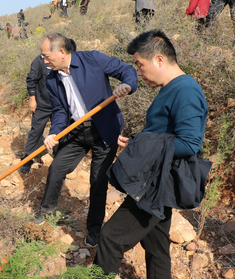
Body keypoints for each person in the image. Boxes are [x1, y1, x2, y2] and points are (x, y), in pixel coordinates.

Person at [94, 29, 209, 278]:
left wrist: (140, 145)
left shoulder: (186, 90)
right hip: (159, 180)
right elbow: (163, 136)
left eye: (140, 65)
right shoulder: (173, 88)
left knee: (110, 238)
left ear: (158, 59)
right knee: (156, 246)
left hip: (160, 183)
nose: (139, 72)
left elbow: (190, 144)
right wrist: (137, 142)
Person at [36, 33, 138, 249]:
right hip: (76, 133)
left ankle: (94, 230)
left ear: (61, 52)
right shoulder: (51, 79)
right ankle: (46, 212)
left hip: (105, 131)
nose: (44, 61)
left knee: (97, 181)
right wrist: (54, 132)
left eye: (46, 56)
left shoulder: (93, 59)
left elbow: (126, 70)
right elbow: (60, 111)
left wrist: (127, 86)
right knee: (56, 169)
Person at [20, 39, 77, 173]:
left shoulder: (70, 62)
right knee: (36, 131)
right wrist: (32, 99)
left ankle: (59, 160)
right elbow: (31, 80)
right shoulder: (40, 61)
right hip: (42, 104)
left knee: (61, 133)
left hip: (61, 107)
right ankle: (28, 158)